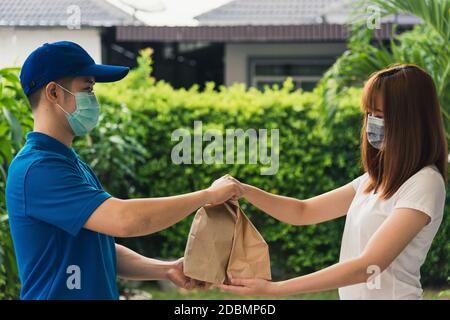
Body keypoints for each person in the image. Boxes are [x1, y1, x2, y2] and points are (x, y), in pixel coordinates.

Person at [5, 41, 242, 300]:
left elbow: (99, 247)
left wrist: (167, 269)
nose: (93, 100)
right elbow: (126, 220)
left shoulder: (68, 163)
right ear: (53, 92)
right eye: (87, 89)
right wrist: (208, 195)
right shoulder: (39, 169)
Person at [218, 64, 447, 299]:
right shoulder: (373, 181)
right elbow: (303, 211)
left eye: (380, 115)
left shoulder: (424, 184)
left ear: (410, 120)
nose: (372, 123)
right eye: (369, 114)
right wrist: (243, 190)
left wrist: (274, 289)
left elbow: (368, 266)